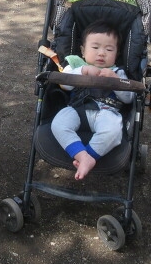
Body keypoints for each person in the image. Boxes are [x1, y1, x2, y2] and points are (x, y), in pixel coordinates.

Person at [51, 20, 134, 180]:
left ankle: (89, 156)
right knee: (59, 123)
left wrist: (115, 80)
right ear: (83, 50)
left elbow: (129, 98)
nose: (101, 53)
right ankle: (81, 155)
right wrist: (82, 71)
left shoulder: (117, 72)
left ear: (116, 54)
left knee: (113, 130)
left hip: (106, 112)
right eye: (95, 47)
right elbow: (64, 84)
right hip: (77, 108)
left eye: (109, 49)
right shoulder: (75, 65)